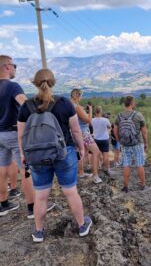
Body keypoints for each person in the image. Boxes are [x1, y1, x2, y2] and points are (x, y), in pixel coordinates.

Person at [17, 69, 92, 242]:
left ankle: (39, 232)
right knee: (71, 192)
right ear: (53, 82)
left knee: (41, 196)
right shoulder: (64, 103)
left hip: (36, 157)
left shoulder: (26, 106)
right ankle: (82, 226)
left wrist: (23, 154)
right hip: (64, 153)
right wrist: (82, 148)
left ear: (35, 83)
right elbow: (75, 130)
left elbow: (21, 135)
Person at [0, 55, 35, 217]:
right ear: (7, 67)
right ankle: (32, 207)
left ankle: (3, 204)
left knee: (2, 168)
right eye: (14, 65)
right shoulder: (13, 87)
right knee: (25, 168)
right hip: (13, 133)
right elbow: (26, 105)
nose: (15, 68)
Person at [114, 96, 147, 192]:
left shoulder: (119, 116)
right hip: (137, 143)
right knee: (139, 164)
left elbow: (115, 130)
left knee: (126, 164)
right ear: (132, 104)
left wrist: (119, 140)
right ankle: (142, 185)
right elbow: (144, 131)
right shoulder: (138, 115)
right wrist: (146, 143)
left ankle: (125, 186)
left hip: (125, 144)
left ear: (124, 104)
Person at [70, 89, 102, 184]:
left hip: (73, 133)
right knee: (96, 152)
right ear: (76, 96)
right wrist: (91, 110)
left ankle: (81, 173)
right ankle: (95, 175)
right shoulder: (77, 107)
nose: (81, 98)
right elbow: (88, 120)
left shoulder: (69, 105)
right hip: (83, 133)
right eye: (80, 96)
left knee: (80, 153)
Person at [92, 106, 111, 175]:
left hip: (96, 139)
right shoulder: (105, 120)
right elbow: (109, 127)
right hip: (105, 139)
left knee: (96, 155)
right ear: (101, 111)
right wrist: (108, 131)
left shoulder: (92, 120)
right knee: (106, 155)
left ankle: (97, 168)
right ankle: (106, 169)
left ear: (95, 112)